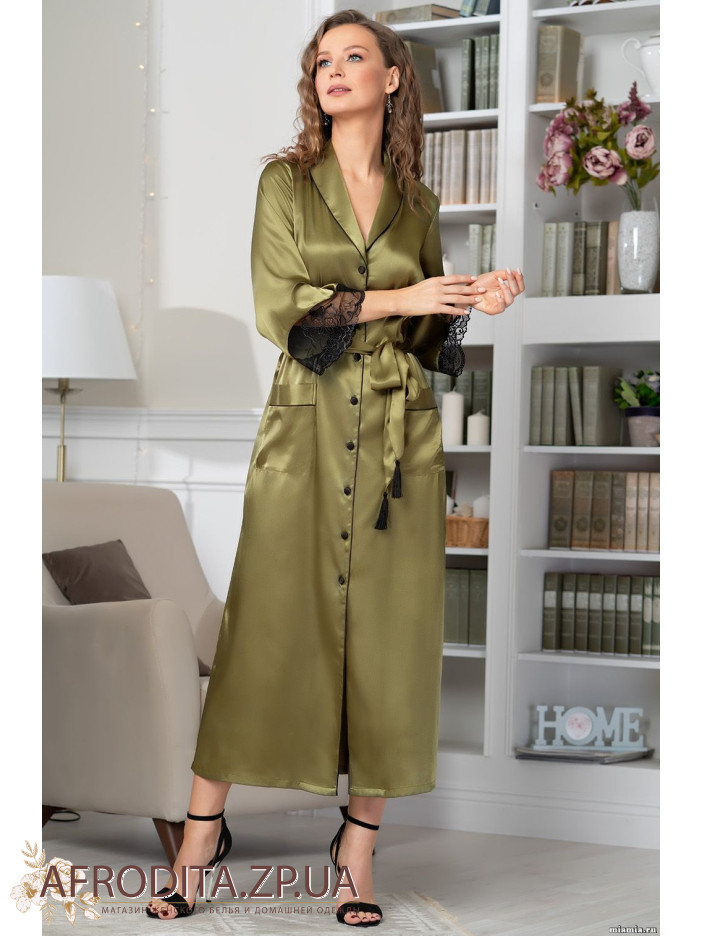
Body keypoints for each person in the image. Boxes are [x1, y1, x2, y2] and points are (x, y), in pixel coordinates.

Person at [147, 8, 524, 927]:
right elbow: (283, 306)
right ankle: (200, 837)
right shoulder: (284, 183)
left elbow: (426, 335)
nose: (335, 71)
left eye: (355, 57)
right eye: (323, 61)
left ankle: (356, 854)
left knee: (392, 642)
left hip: (399, 437)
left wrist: (475, 299)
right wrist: (404, 293)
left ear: (393, 78)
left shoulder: (418, 203)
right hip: (305, 431)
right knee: (264, 631)